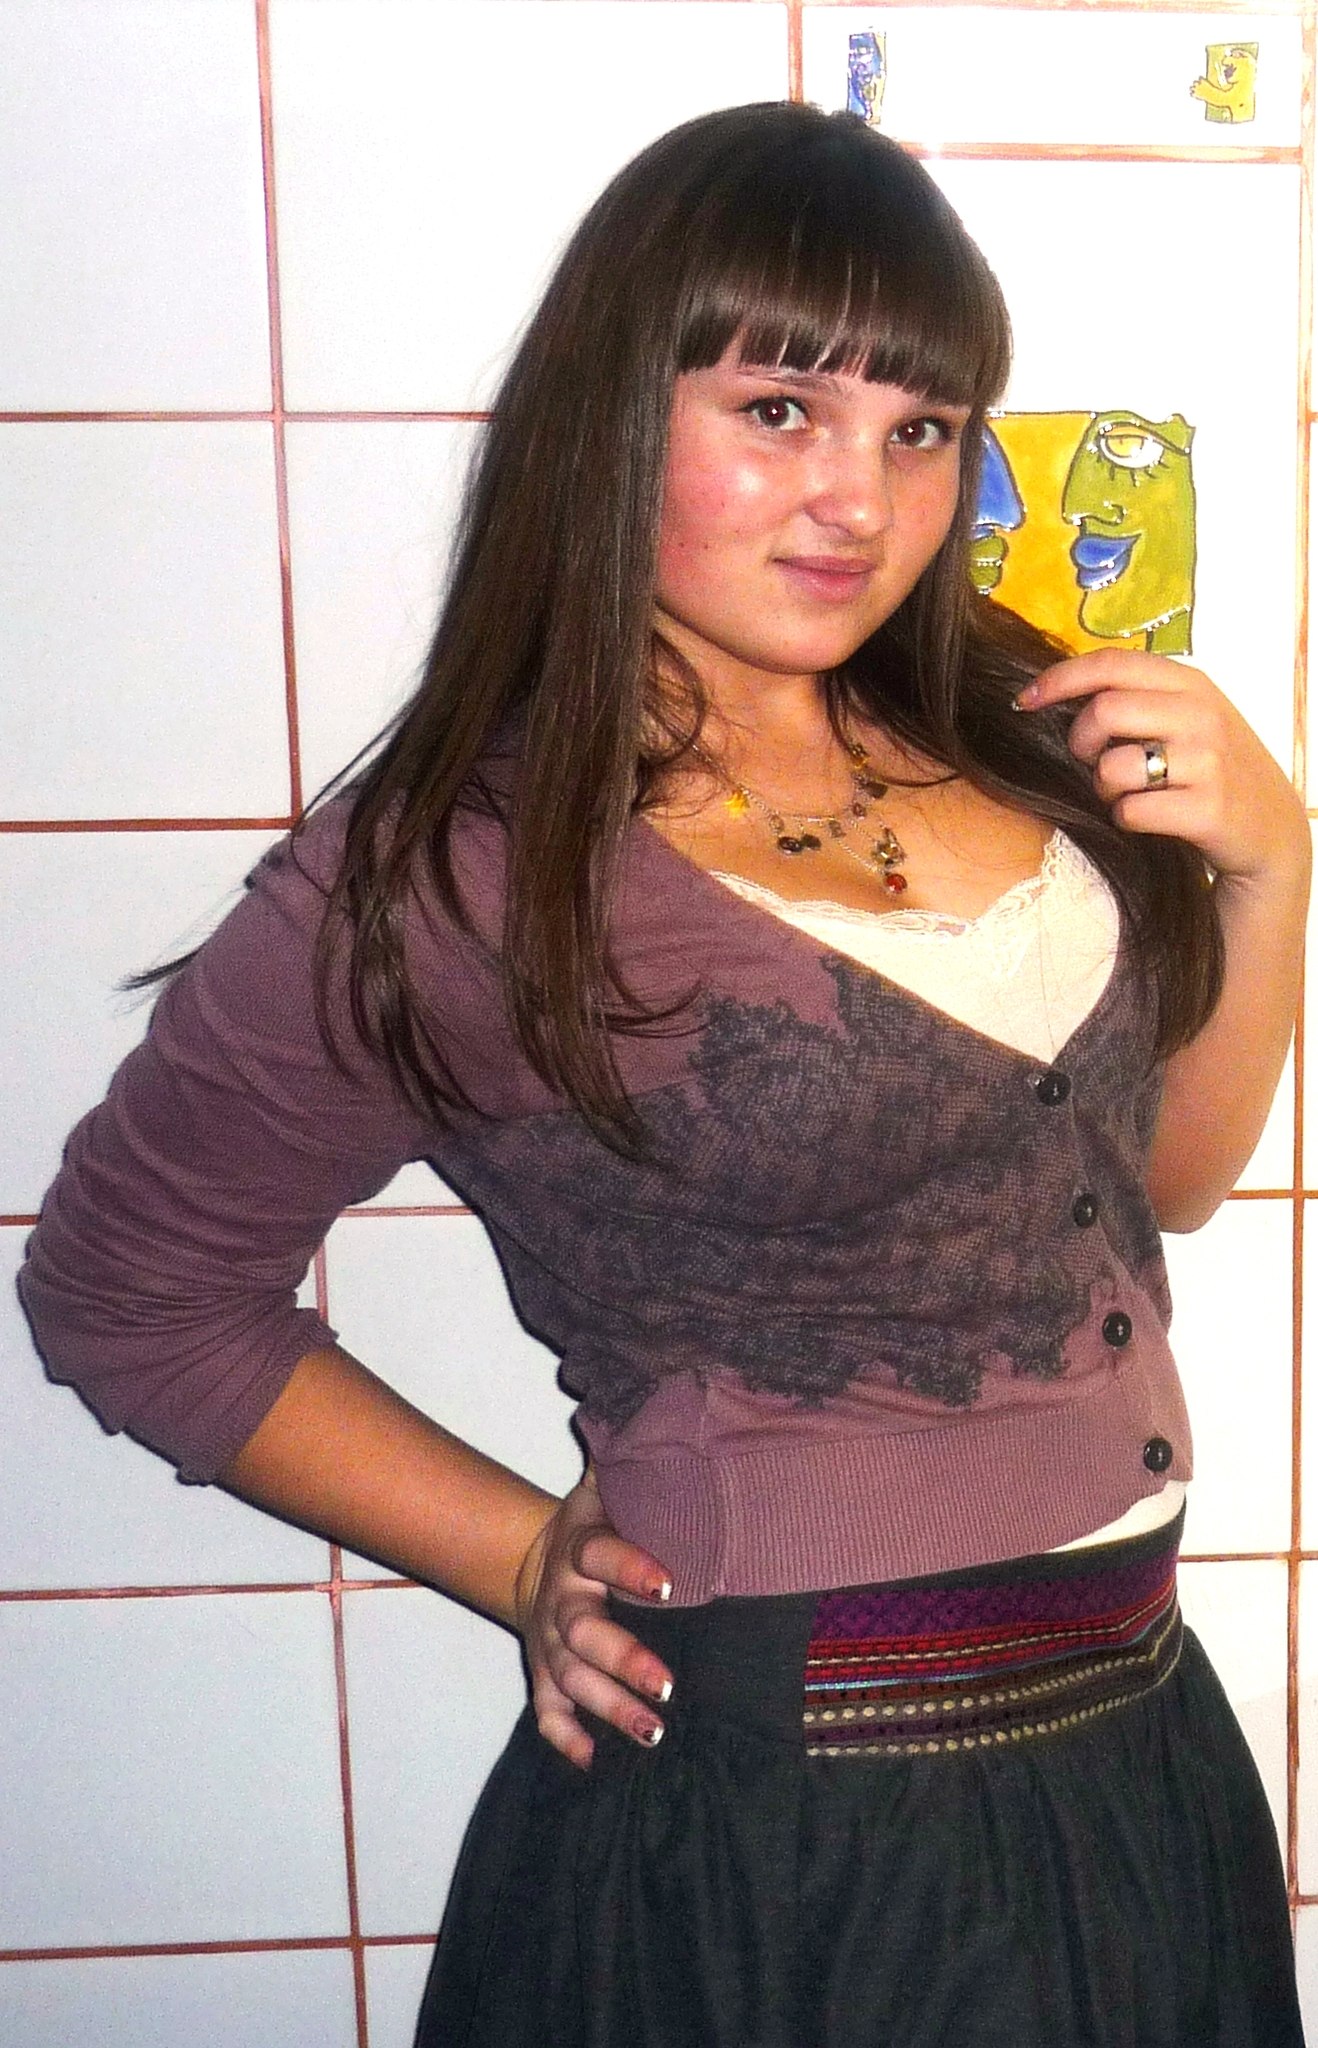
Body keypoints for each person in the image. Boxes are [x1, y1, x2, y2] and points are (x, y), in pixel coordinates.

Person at [17, 102, 1309, 2046]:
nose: (858, 498)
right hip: (787, 1826)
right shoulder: (456, 873)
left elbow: (1167, 1186)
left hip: (1133, 1748)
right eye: (779, 410)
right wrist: (514, 1552)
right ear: (614, 412)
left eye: (919, 429)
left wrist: (1271, 866)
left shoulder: (1019, 723)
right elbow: (127, 1291)